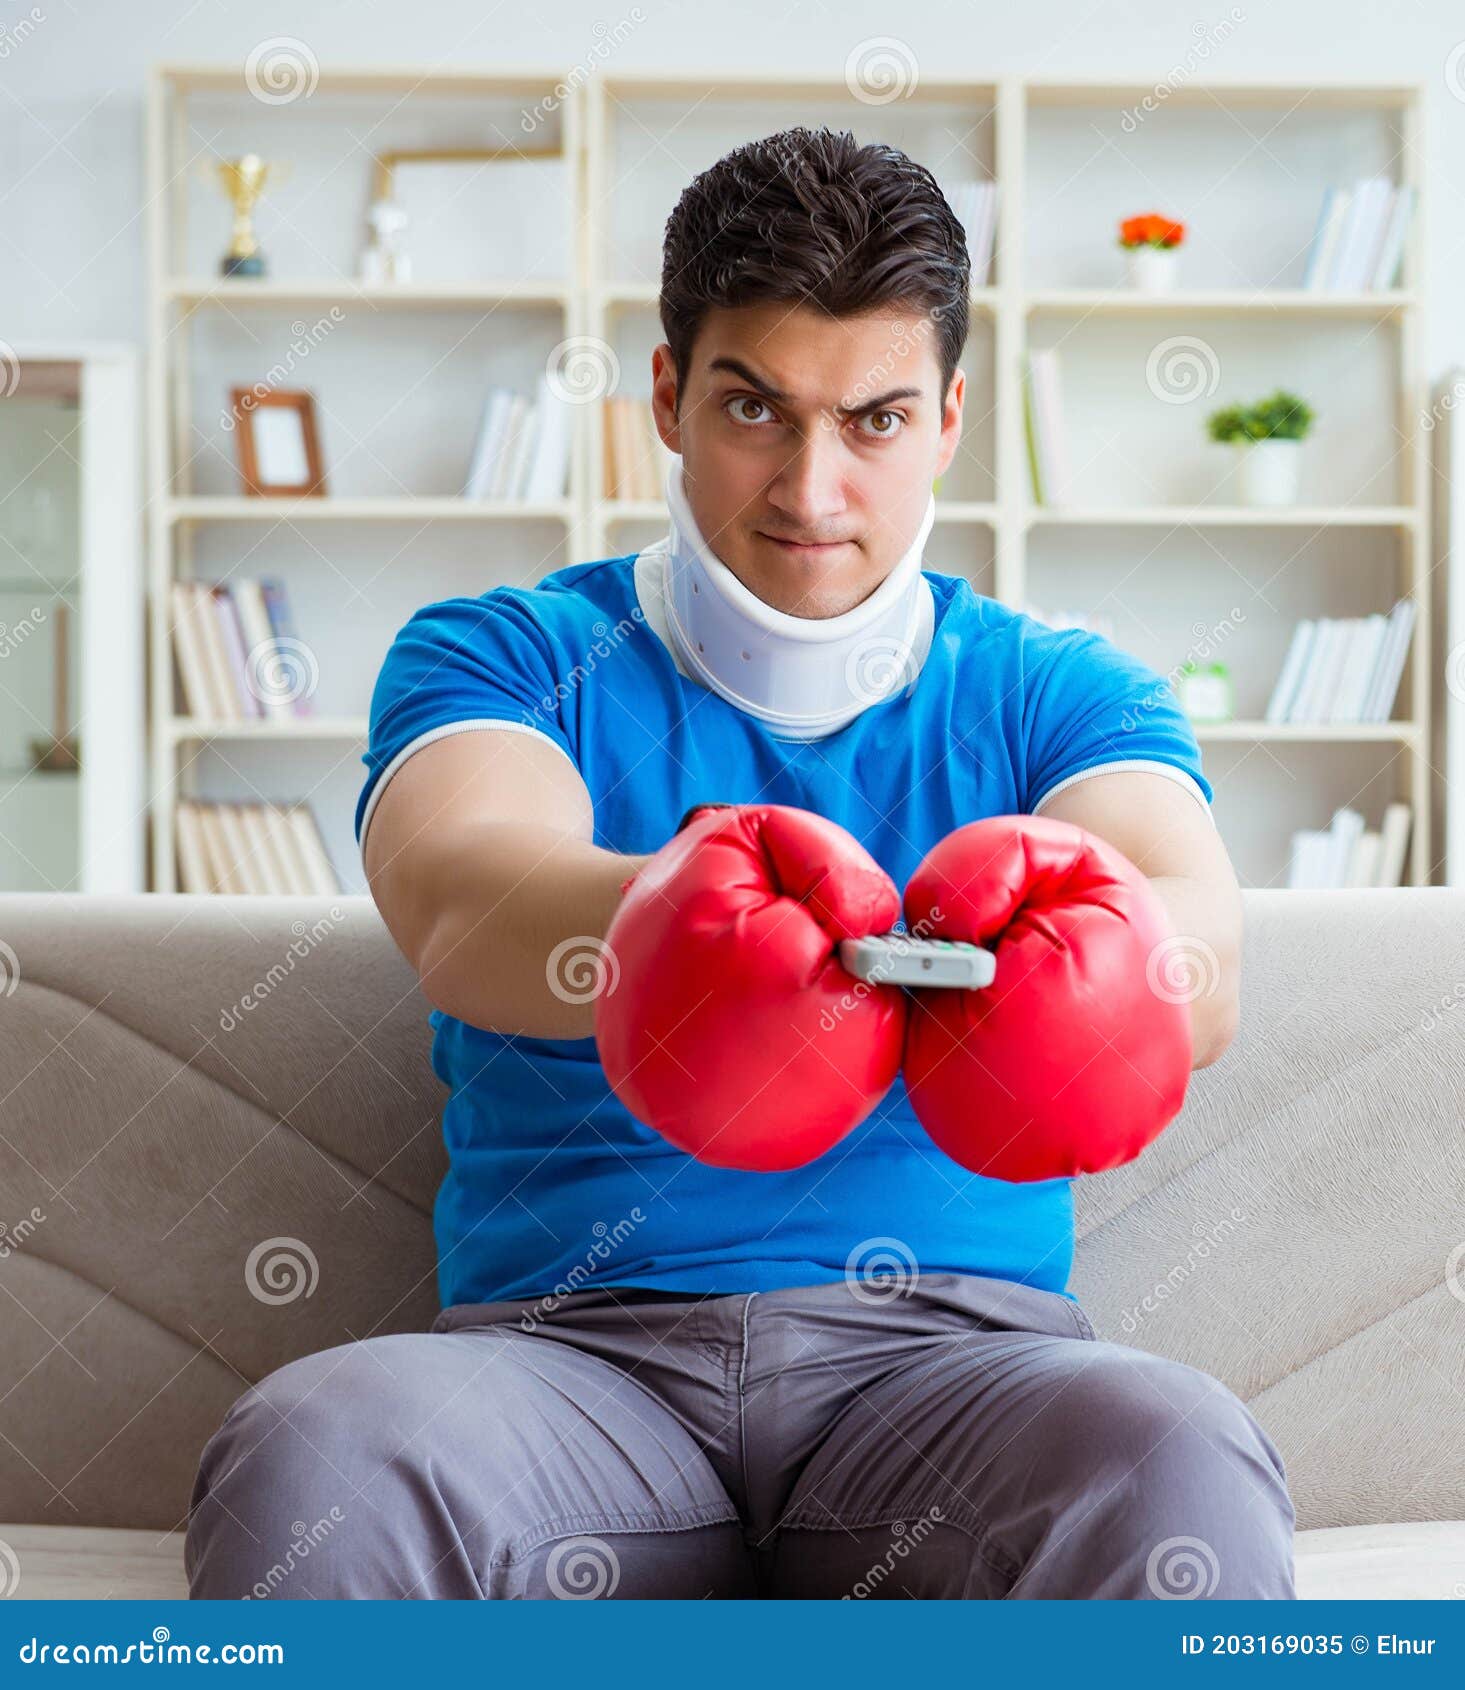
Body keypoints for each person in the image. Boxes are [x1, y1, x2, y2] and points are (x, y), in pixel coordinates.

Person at [185, 126, 1294, 1601]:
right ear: (668, 394)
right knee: (313, 1451)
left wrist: (1069, 969)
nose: (814, 489)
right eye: (756, 409)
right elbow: (458, 894)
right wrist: (704, 924)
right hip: (566, 1368)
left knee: (1177, 1457)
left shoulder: (1058, 690)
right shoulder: (507, 653)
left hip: (952, 1375)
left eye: (876, 420)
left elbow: (1193, 966)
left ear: (952, 415)